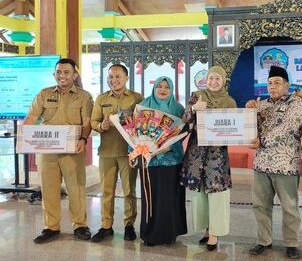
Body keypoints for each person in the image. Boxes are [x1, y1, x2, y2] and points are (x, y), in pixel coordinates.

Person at [25, 58, 94, 244]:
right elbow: (31, 117)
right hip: (47, 151)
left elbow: (87, 122)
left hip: (73, 150)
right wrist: (24, 138)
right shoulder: (44, 94)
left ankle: (80, 225)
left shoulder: (84, 96)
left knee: (76, 189)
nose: (62, 75)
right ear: (54, 74)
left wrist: (83, 139)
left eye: (66, 72)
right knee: (48, 190)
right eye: (59, 72)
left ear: (74, 75)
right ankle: (51, 227)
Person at [245, 65, 302, 259]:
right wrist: (249, 111)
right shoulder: (261, 103)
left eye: (277, 83)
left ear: (287, 85)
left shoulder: (296, 103)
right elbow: (249, 128)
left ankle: (291, 243)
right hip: (262, 164)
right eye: (270, 83)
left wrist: (262, 140)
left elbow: (288, 127)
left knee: (289, 207)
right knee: (260, 205)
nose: (272, 86)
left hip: (285, 165)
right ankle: (264, 240)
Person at [180, 66, 237, 251]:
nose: (213, 82)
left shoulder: (229, 102)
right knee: (200, 194)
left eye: (217, 79)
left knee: (218, 195)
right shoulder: (197, 95)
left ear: (223, 80)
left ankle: (215, 233)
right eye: (210, 78)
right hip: (197, 155)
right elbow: (184, 121)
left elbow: (235, 130)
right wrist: (194, 108)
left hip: (217, 157)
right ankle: (206, 230)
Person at [90, 64, 143, 242]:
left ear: (126, 78)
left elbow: (144, 121)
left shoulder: (136, 98)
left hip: (129, 152)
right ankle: (106, 226)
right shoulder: (101, 98)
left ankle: (129, 225)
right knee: (106, 191)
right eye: (111, 77)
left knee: (129, 191)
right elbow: (93, 121)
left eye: (118, 76)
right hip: (106, 152)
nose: (114, 80)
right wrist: (100, 126)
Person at [138, 76, 187, 246]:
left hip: (172, 160)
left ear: (172, 90)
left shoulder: (178, 108)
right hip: (149, 161)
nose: (163, 90)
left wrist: (169, 146)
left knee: (168, 198)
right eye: (160, 86)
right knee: (150, 198)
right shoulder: (144, 106)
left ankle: (169, 233)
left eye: (167, 87)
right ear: (154, 88)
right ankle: (150, 234)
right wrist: (142, 148)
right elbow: (135, 133)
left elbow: (183, 132)